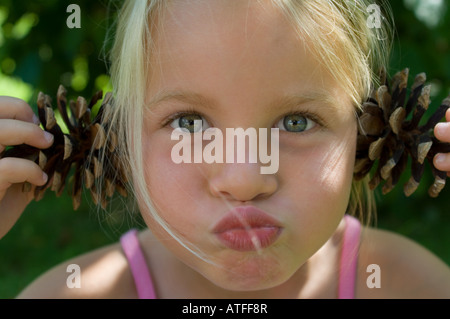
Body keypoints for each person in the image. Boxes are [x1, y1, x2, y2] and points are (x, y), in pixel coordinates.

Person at [1, 0, 450, 298]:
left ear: (365, 132)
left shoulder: (414, 286)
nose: (244, 179)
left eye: (296, 122)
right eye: (189, 123)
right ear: (120, 140)